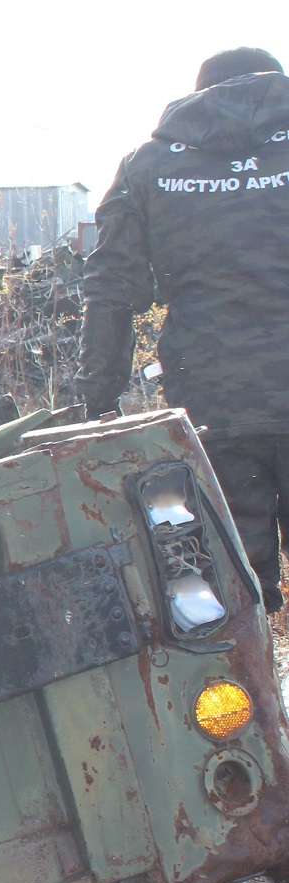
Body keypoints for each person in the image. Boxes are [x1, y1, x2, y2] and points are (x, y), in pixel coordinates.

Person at [80, 46, 289, 611]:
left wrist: (98, 402)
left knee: (235, 589)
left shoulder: (149, 165)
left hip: (212, 406)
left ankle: (254, 693)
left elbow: (112, 289)